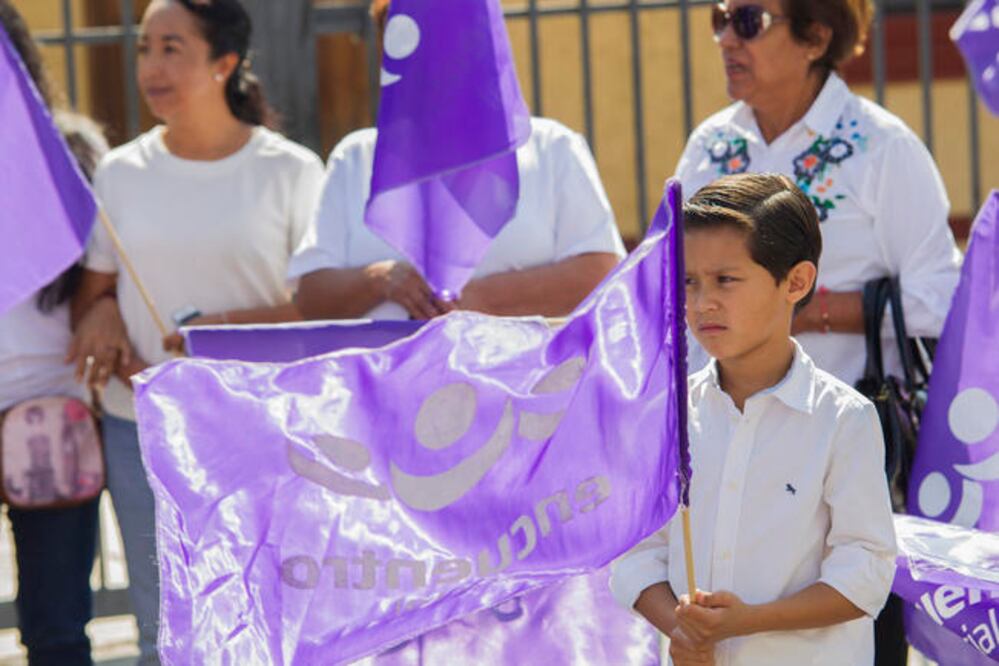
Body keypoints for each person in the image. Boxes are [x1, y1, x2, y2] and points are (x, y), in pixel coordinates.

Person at [69, 1, 324, 661]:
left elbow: (318, 307)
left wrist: (218, 333)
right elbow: (94, 291)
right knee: (163, 628)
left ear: (225, 63)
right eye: (144, 48)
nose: (151, 67)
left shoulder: (291, 172)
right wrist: (102, 312)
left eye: (171, 48)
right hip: (142, 429)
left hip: (261, 430)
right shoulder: (120, 173)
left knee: (270, 620)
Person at [610, 173, 897, 666]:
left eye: (726, 280)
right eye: (689, 282)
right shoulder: (667, 417)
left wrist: (748, 621)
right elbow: (635, 554)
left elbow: (866, 571)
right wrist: (682, 631)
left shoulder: (843, 420)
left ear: (796, 282)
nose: (703, 303)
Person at [676, 0, 961, 386]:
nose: (725, 39)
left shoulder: (881, 147)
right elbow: (667, 281)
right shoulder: (707, 144)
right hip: (716, 417)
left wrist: (805, 308)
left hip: (844, 417)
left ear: (815, 38)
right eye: (720, 19)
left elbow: (940, 298)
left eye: (748, 22)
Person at [291, 0, 624, 322]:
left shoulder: (553, 148)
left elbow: (600, 272)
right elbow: (310, 296)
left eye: (444, 37)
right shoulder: (355, 157)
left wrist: (478, 300)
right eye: (403, 39)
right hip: (388, 362)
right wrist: (379, 280)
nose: (426, 58)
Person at [0, 4, 112, 664]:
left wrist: (106, 309)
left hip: (53, 415)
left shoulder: (72, 149)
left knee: (57, 632)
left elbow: (113, 272)